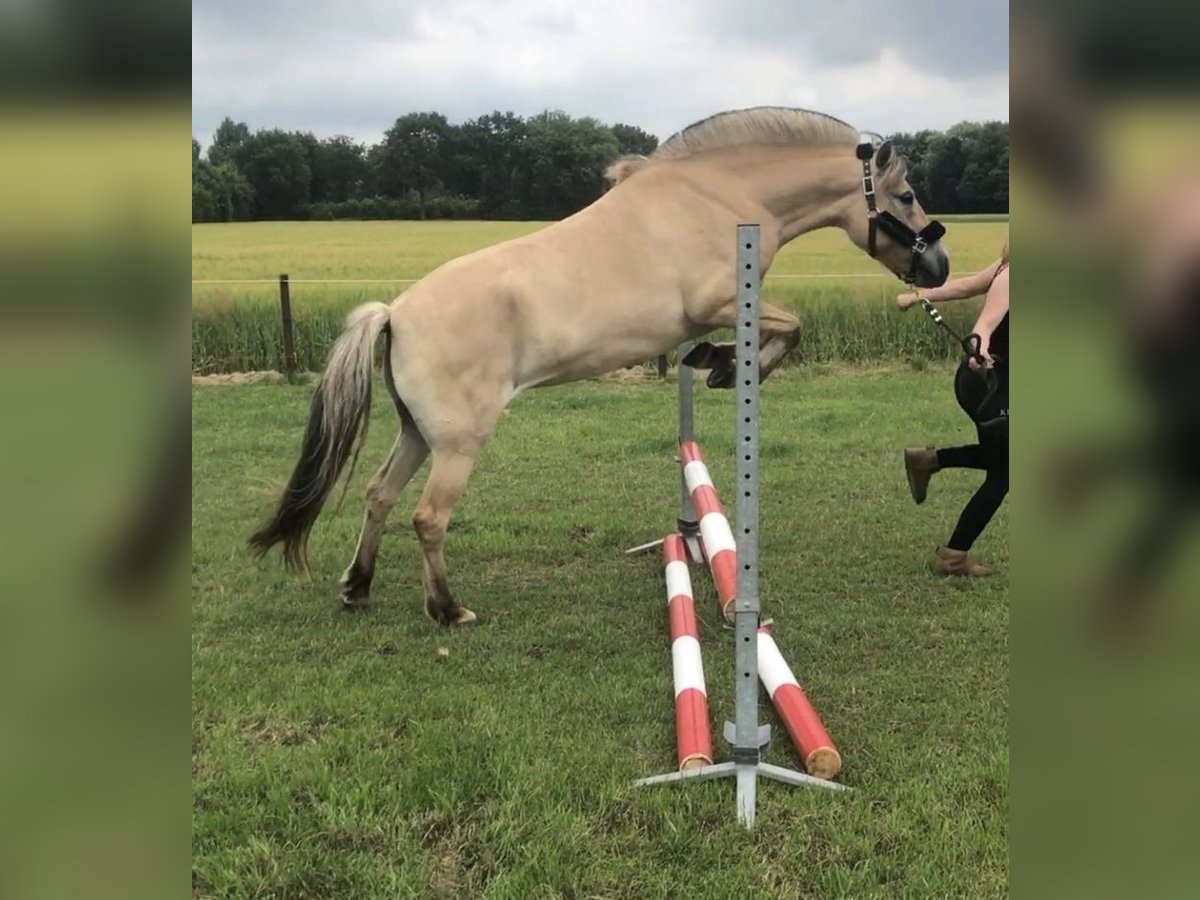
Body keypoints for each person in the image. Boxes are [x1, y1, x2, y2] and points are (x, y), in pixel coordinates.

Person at [896, 243, 1009, 576]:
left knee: (1000, 458)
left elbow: (968, 285)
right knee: (1006, 471)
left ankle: (929, 460)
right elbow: (986, 323)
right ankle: (953, 556)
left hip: (998, 383)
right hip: (988, 382)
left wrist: (920, 296)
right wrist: (981, 348)